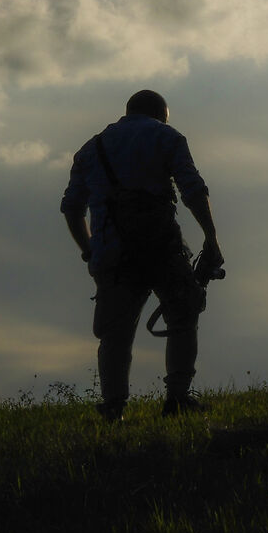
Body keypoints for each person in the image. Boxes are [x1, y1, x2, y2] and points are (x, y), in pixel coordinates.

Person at [61, 89, 223, 419]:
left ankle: (113, 409)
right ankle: (177, 399)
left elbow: (71, 208)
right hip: (161, 246)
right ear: (161, 115)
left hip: (111, 252)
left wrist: (89, 251)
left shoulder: (91, 149)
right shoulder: (167, 136)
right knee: (183, 315)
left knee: (115, 335)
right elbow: (192, 189)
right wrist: (211, 237)